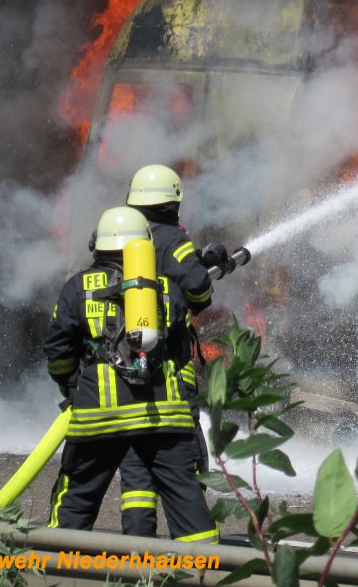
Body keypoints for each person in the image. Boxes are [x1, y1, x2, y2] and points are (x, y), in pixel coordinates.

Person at [43, 206, 218, 544]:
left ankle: (57, 564)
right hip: (163, 415)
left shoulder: (77, 288)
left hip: (99, 415)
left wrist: (71, 386)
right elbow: (182, 353)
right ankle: (206, 566)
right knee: (187, 500)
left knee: (76, 498)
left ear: (98, 245)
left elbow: (58, 349)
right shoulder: (166, 288)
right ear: (145, 246)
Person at [118, 164, 227, 537]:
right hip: (170, 373)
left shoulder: (121, 239)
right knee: (186, 459)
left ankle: (136, 553)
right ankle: (196, 554)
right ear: (173, 203)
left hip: (123, 371)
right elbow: (198, 289)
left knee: (136, 468)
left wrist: (199, 258)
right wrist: (201, 267)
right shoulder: (171, 238)